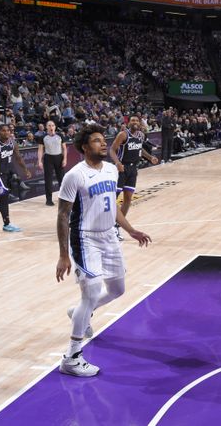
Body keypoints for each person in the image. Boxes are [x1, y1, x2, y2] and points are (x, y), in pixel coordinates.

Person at [55, 124, 152, 377]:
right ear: (85, 147)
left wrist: (130, 230)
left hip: (109, 236)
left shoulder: (111, 169)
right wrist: (64, 255)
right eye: (97, 141)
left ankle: (77, 314)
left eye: (103, 140)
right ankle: (71, 357)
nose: (102, 144)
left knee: (118, 289)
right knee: (91, 293)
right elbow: (63, 215)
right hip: (85, 238)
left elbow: (113, 206)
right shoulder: (74, 175)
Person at [109, 114, 159, 239]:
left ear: (140, 122)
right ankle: (104, 225)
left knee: (128, 199)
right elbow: (112, 150)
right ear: (128, 122)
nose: (135, 122)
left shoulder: (141, 135)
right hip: (121, 169)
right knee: (111, 199)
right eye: (132, 120)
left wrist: (150, 157)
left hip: (133, 170)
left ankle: (116, 226)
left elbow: (140, 150)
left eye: (137, 120)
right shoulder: (123, 135)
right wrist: (117, 163)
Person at [37, 120, 67, 206]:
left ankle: (63, 198)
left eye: (53, 125)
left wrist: (65, 159)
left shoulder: (60, 135)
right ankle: (49, 200)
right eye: (49, 125)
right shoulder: (43, 137)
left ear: (55, 127)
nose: (51, 127)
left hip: (59, 157)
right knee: (48, 179)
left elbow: (64, 148)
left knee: (61, 178)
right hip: (48, 158)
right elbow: (40, 150)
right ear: (46, 127)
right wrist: (39, 161)